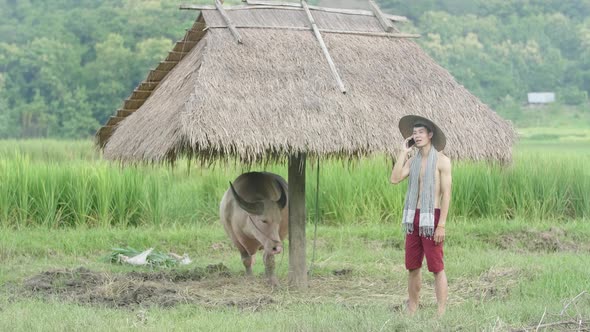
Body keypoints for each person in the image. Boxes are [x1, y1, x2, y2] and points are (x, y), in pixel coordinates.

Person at [390, 115, 452, 317]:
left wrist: (441, 224)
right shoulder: (412, 160)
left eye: (420, 132)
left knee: (436, 267)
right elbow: (395, 178)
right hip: (412, 217)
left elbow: (446, 195)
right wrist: (403, 152)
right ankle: (412, 307)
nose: (416, 136)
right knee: (413, 266)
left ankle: (441, 311)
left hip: (431, 217)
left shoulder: (442, 161)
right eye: (414, 133)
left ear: (430, 135)